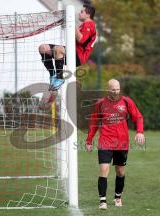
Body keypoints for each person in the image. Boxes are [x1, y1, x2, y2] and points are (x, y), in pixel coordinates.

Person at [86, 79, 145, 210]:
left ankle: (117, 197)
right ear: (108, 89)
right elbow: (93, 123)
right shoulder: (100, 103)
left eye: (118, 89)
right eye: (113, 89)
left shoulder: (126, 101)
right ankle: (102, 201)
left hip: (122, 143)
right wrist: (89, 140)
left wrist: (140, 132)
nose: (116, 91)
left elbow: (138, 117)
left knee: (120, 171)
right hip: (105, 141)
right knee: (103, 170)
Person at [38, 4, 96, 91]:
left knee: (58, 49)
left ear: (88, 15)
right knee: (43, 48)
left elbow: (81, 40)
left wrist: (72, 23)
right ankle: (53, 75)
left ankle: (59, 78)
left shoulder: (89, 25)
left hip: (78, 57)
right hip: (72, 51)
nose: (79, 13)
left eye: (82, 12)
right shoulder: (83, 25)